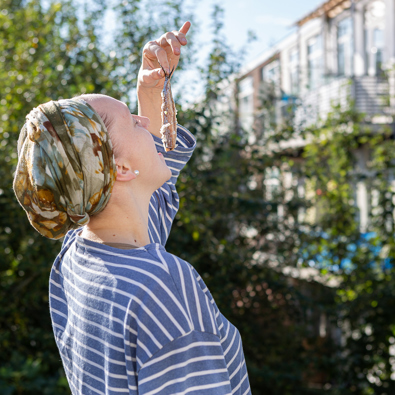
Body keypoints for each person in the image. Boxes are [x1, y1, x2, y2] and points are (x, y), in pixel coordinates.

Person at [13, 21, 252, 395]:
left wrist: (150, 90)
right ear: (120, 169)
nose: (144, 121)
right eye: (132, 121)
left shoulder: (79, 255)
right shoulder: (164, 288)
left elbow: (142, 200)